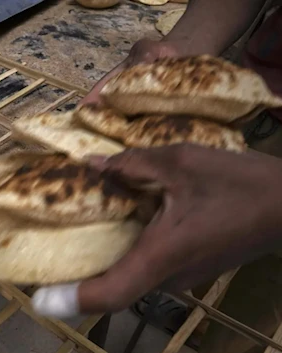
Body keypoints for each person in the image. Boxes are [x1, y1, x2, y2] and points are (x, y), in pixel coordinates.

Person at [31, 0, 282, 351]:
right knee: (194, 248)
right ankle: (201, 318)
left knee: (260, 287)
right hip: (238, 91)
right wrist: (184, 45)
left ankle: (225, 340)